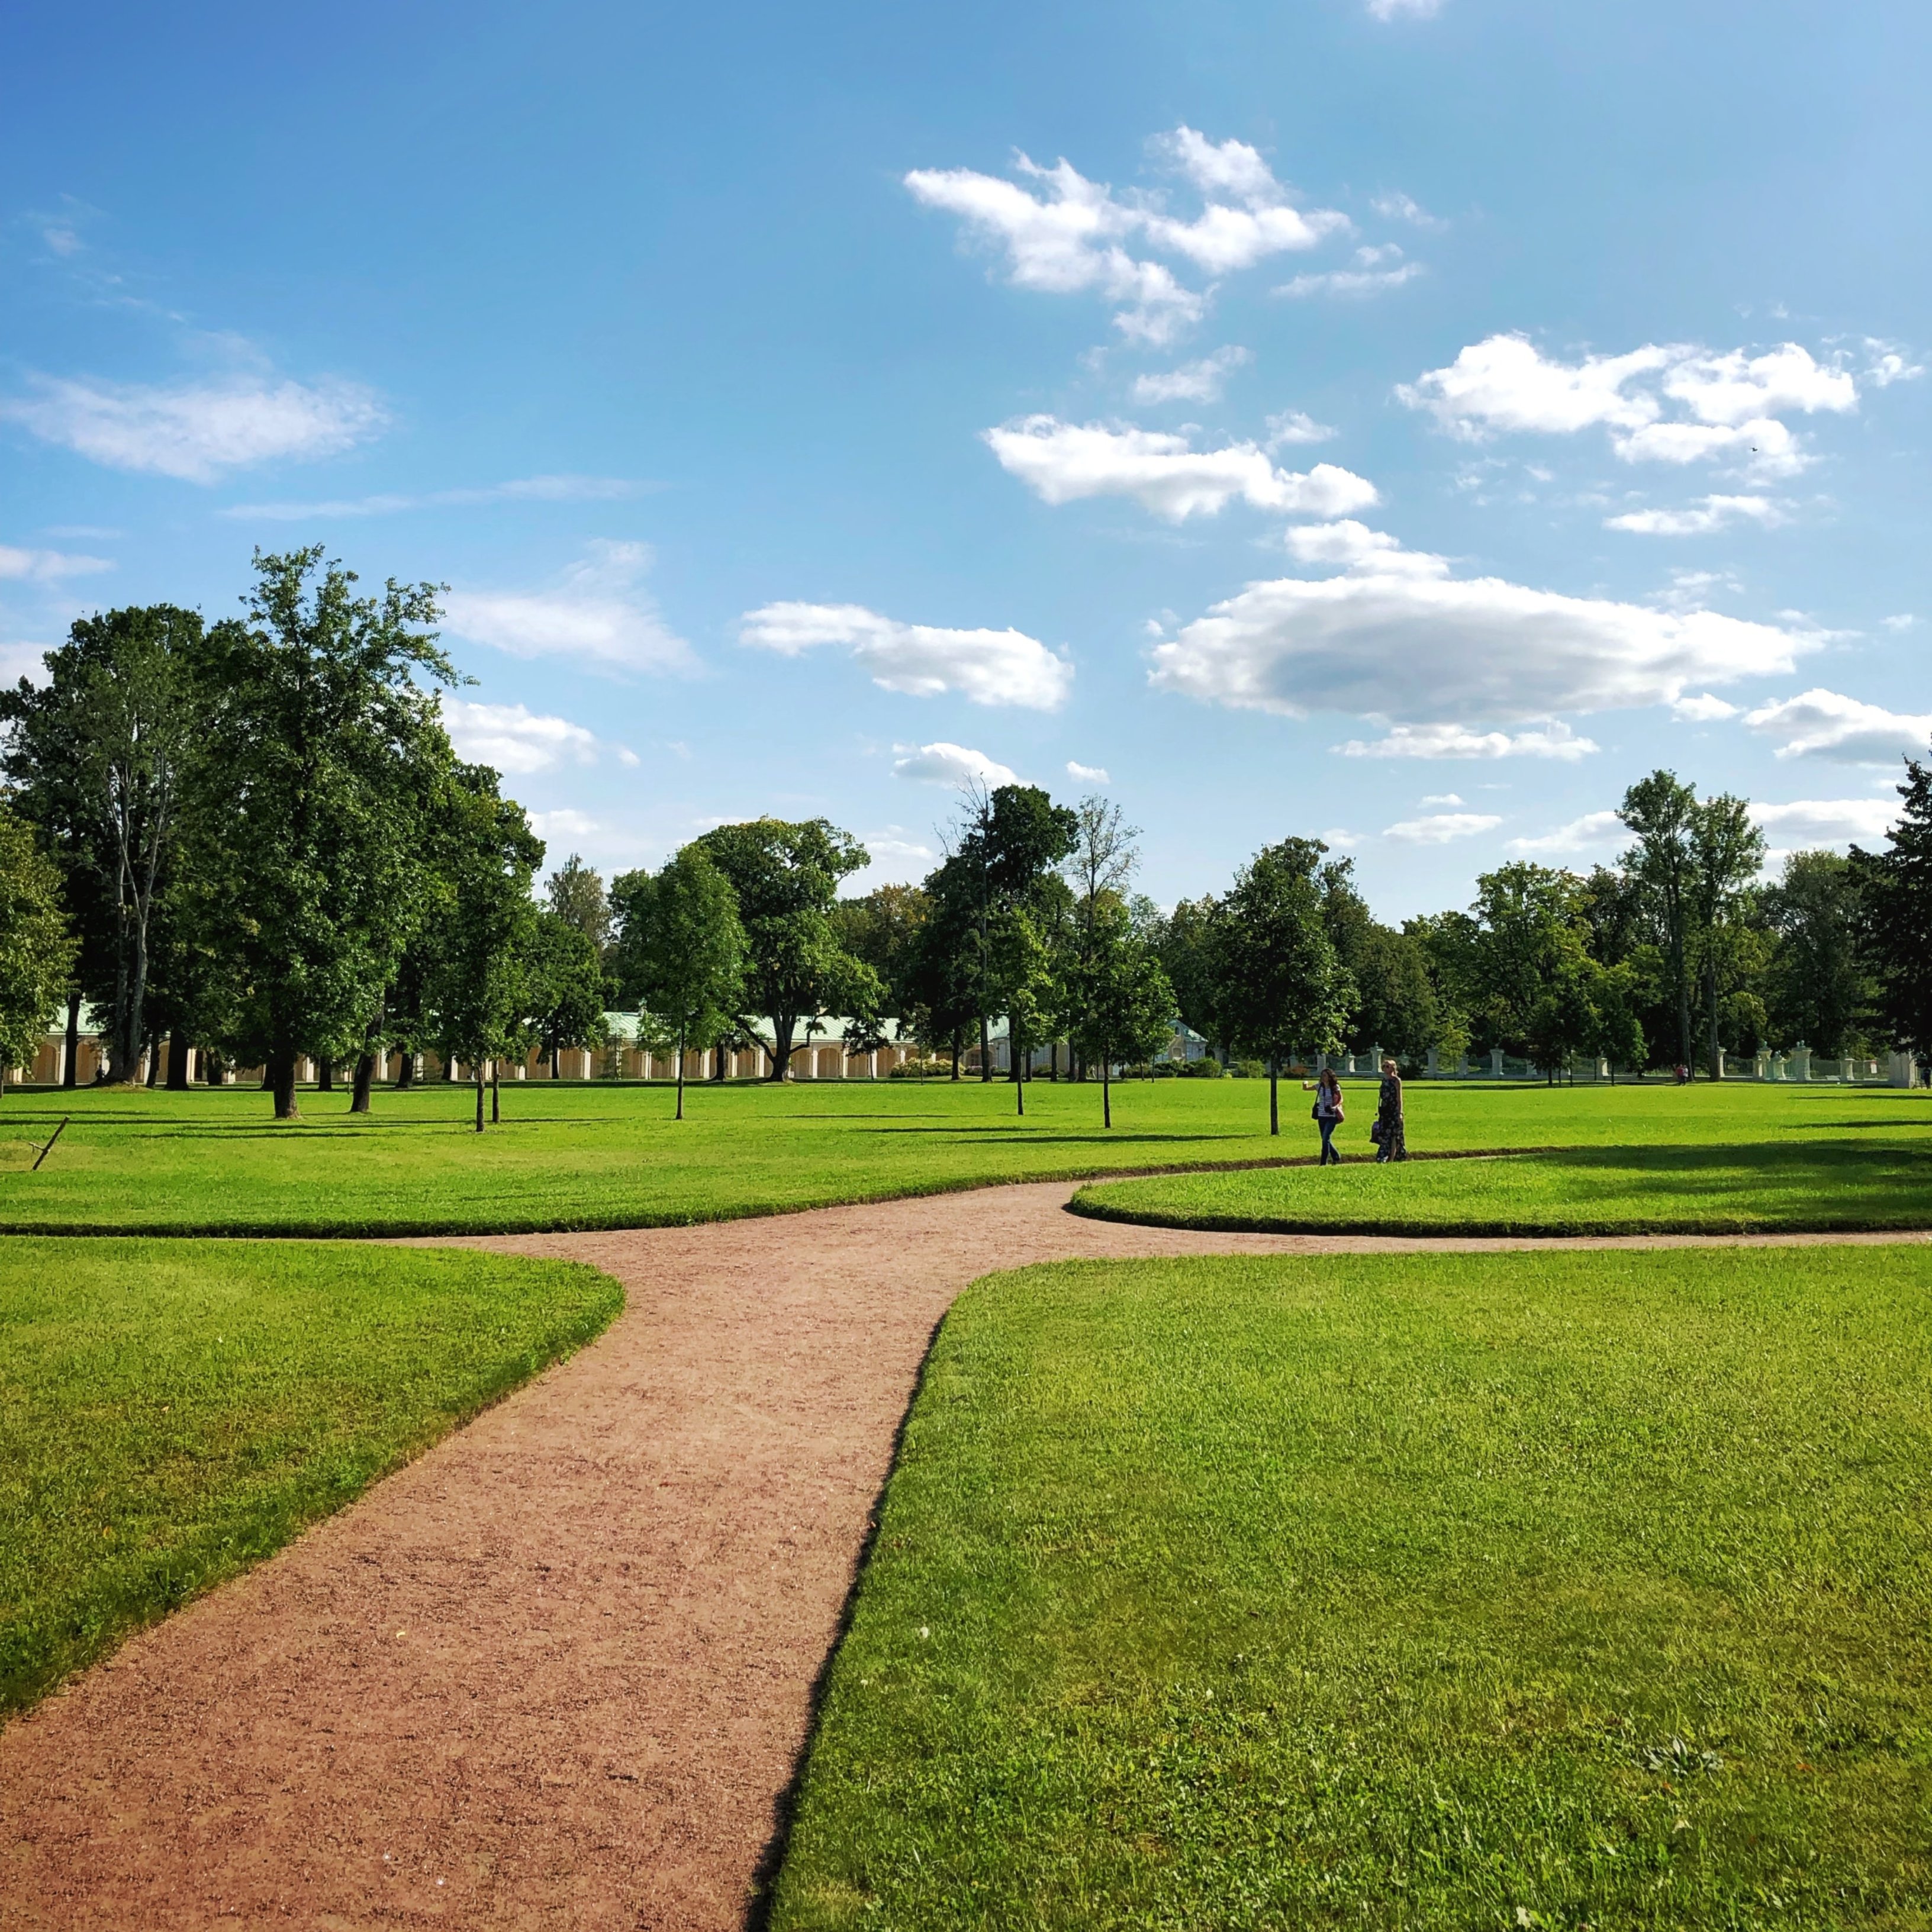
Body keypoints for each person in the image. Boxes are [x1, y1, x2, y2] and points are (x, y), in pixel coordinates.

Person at [1303, 1065, 1344, 1164]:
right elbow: (1306, 1089)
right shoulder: (1319, 1086)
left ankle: (1323, 1162)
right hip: (1321, 1116)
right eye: (1322, 1075)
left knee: (1326, 1138)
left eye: (1325, 1075)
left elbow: (1341, 1099)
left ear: (1330, 1077)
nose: (1323, 1077)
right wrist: (1305, 1083)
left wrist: (1336, 1106)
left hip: (1332, 1116)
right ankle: (1336, 1156)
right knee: (1325, 1139)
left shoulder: (1335, 1087)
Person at [1372, 1056, 1406, 1163]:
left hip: (1394, 1110)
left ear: (1393, 1068)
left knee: (1394, 1135)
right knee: (1385, 1134)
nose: (1386, 1068)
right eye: (1384, 1066)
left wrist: (1400, 1113)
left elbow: (1399, 1098)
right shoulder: (1384, 1080)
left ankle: (1391, 1157)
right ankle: (1385, 1156)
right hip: (1385, 1111)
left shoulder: (1396, 1080)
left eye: (1388, 1067)